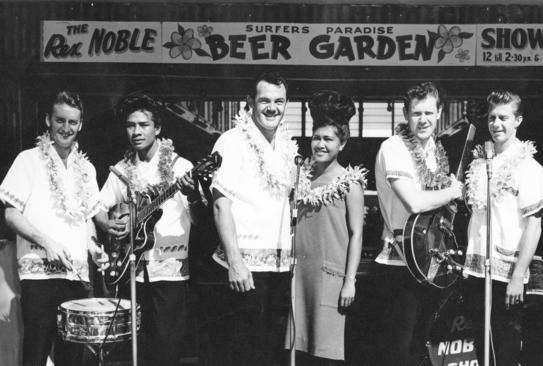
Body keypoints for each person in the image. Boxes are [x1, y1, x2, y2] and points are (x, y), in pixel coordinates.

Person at [0, 90, 108, 366]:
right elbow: (11, 215)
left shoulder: (87, 169)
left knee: (72, 356)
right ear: (48, 120)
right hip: (40, 277)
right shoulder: (28, 160)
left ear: (81, 124)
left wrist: (95, 249)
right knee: (36, 353)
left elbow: (86, 222)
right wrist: (46, 241)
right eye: (60, 120)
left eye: (73, 122)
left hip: (77, 277)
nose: (66, 128)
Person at [94, 96, 203, 366]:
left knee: (167, 345)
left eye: (144, 124)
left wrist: (192, 196)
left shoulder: (181, 167)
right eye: (131, 125)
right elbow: (95, 206)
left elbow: (200, 220)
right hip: (132, 269)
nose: (137, 131)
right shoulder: (121, 170)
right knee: (138, 346)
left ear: (158, 128)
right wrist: (108, 224)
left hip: (171, 270)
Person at [209, 72, 297, 366]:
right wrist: (235, 263)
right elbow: (221, 205)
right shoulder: (231, 141)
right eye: (264, 101)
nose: (272, 108)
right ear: (249, 103)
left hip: (279, 268)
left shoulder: (286, 146)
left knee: (270, 353)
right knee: (244, 353)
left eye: (279, 101)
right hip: (245, 270)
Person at [374, 81, 463, 365]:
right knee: (397, 350)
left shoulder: (436, 153)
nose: (422, 120)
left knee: (422, 348)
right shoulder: (394, 147)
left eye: (428, 112)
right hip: (399, 264)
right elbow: (415, 202)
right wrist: (453, 191)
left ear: (439, 113)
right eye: (416, 113)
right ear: (405, 114)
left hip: (430, 262)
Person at [462, 91, 543, 365]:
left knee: (504, 349)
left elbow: (534, 225)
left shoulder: (529, 167)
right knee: (481, 344)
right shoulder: (479, 164)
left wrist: (517, 276)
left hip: (507, 274)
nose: (496, 124)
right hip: (476, 270)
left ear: (518, 120)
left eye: (504, 117)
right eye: (492, 118)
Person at [286, 90, 365, 365]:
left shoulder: (350, 182)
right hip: (299, 275)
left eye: (328, 139)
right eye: (316, 138)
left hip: (331, 277)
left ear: (342, 144)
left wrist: (350, 282)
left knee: (326, 352)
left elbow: (356, 235)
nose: (320, 144)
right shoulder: (299, 178)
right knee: (299, 352)